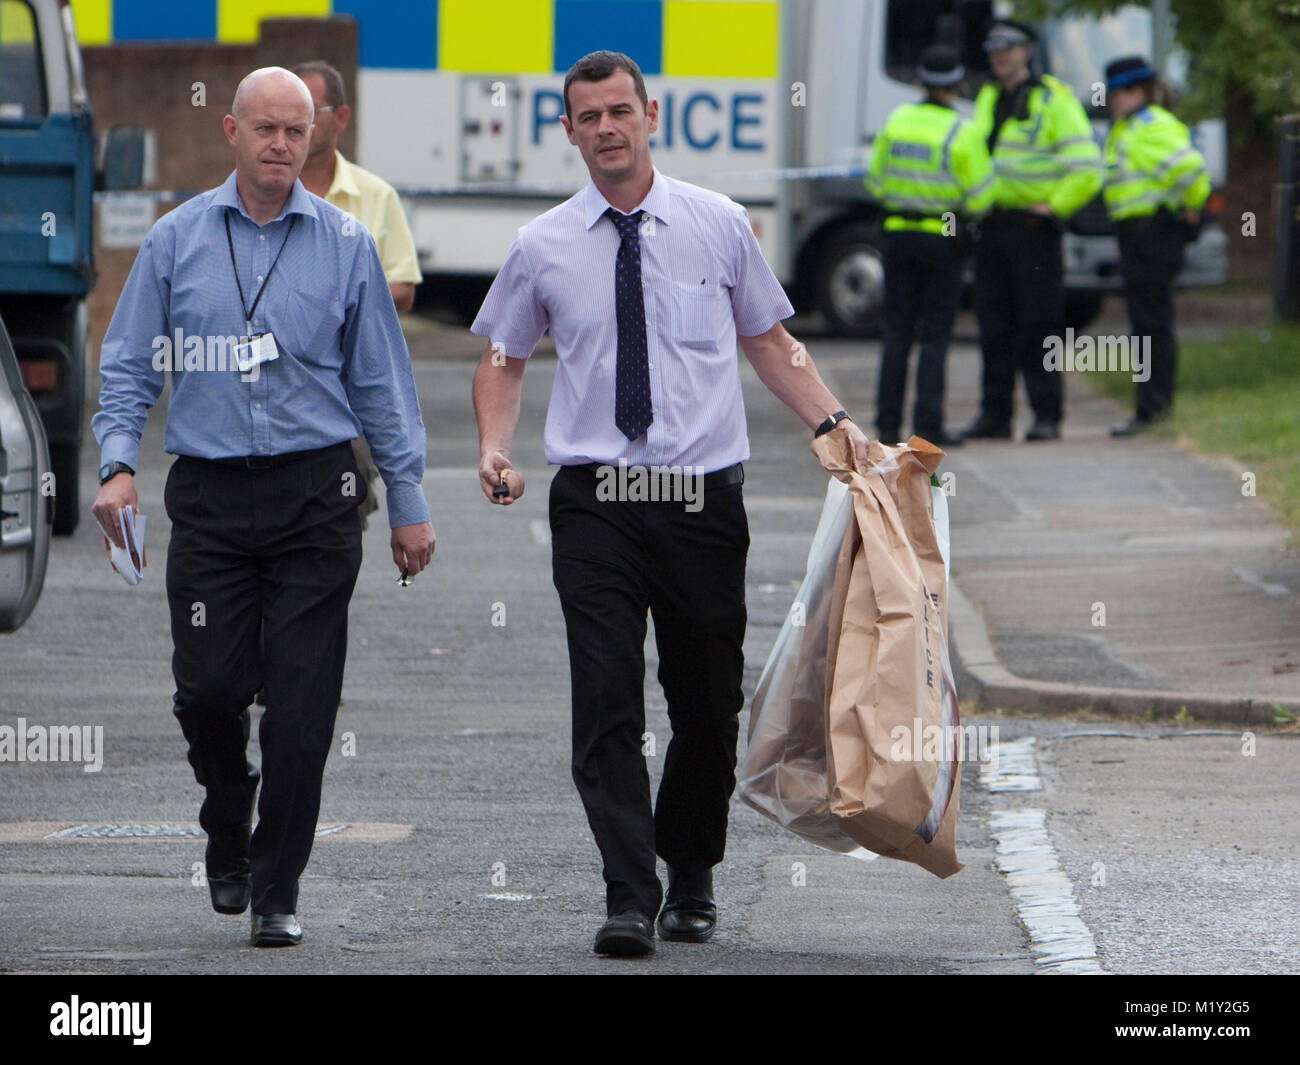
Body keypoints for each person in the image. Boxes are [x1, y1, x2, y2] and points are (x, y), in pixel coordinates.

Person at [469, 50, 870, 957]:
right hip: (595, 501)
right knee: (605, 696)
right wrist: (494, 448)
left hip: (700, 500)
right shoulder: (542, 245)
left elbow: (770, 342)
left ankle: (691, 872)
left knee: (704, 700)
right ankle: (627, 890)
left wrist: (838, 430)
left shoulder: (718, 225)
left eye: (621, 110)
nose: (606, 128)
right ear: (567, 130)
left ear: (652, 116)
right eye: (588, 116)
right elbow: (502, 355)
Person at [90, 67, 435, 948]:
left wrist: (409, 501)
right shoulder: (176, 240)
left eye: (298, 129)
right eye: (266, 129)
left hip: (317, 495)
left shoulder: (347, 243)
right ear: (231, 134)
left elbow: (382, 386)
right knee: (208, 690)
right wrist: (118, 465)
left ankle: (279, 885)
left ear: (316, 136)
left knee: (302, 704)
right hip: (208, 494)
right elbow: (130, 362)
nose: (283, 144)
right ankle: (225, 812)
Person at [958, 20, 1102, 443]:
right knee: (992, 324)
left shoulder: (1053, 99)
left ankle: (1046, 415)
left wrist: (1055, 206)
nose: (999, 54)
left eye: (1008, 46)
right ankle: (995, 417)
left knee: (1040, 325)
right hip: (993, 228)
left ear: (1026, 50)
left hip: (1034, 230)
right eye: (993, 47)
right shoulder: (988, 96)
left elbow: (1088, 169)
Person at [294, 59, 422, 531]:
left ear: (341, 118)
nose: (301, 123)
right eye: (293, 111)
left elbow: (403, 288)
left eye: (313, 109)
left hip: (350, 395)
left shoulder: (376, 196)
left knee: (339, 518)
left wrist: (329, 300)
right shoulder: (262, 194)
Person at [865, 43, 994, 447]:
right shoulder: (963, 130)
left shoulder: (898, 119)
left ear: (920, 80)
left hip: (897, 236)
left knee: (896, 334)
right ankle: (927, 429)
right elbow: (981, 199)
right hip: (942, 238)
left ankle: (886, 427)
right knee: (935, 336)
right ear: (957, 83)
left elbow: (875, 181)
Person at [1101, 55, 1209, 436]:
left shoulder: (1150, 125)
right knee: (1147, 325)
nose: (1110, 101)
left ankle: (1153, 409)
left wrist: (1192, 208)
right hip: (1137, 237)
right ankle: (1150, 407)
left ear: (1134, 91)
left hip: (1153, 235)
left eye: (1114, 93)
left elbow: (1192, 171)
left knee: (1152, 326)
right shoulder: (1129, 127)